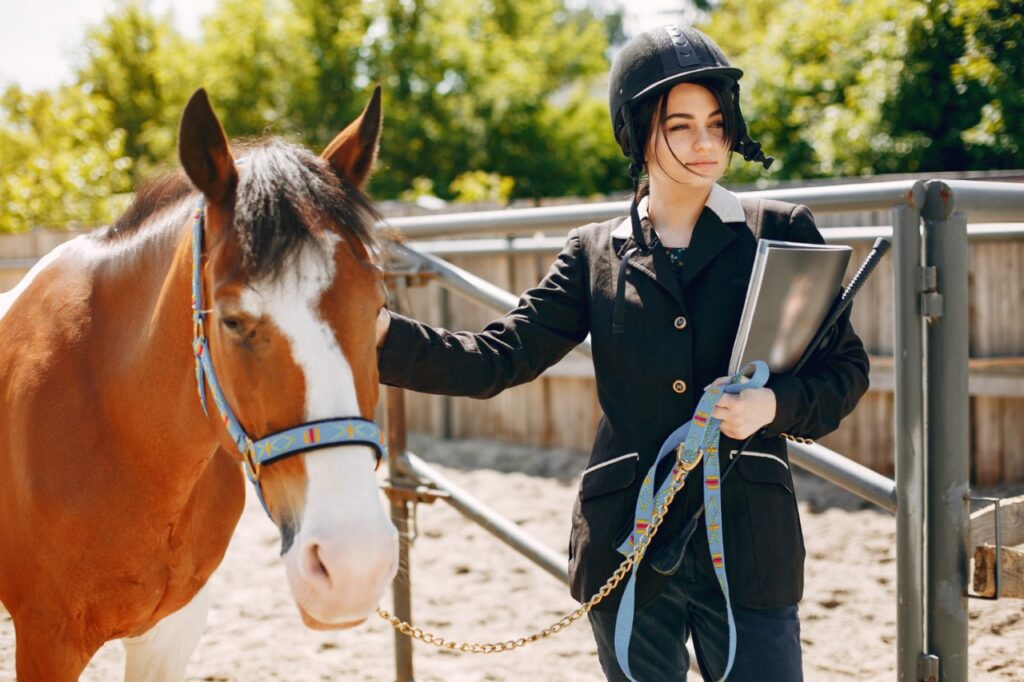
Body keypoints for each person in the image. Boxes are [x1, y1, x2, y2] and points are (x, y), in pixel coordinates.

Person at [376, 24, 869, 682]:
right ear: (639, 133)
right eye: (682, 126)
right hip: (625, 543)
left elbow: (846, 372)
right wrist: (380, 333)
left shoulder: (780, 230)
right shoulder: (592, 252)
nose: (705, 143)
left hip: (751, 540)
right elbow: (497, 358)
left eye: (717, 124)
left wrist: (774, 406)